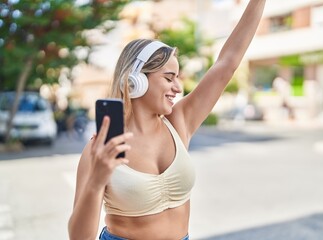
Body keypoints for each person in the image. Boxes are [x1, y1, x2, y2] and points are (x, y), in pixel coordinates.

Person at [68, 1, 266, 239]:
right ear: (136, 81)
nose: (178, 87)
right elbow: (80, 237)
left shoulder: (179, 121)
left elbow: (227, 64)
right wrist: (96, 183)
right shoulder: (100, 149)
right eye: (169, 77)